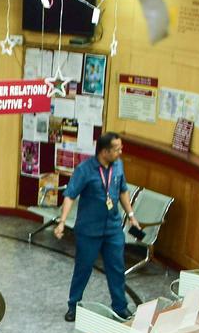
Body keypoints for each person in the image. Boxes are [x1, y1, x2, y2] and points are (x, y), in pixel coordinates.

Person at [56, 132, 141, 322]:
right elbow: (70, 195)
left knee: (116, 268)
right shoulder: (84, 170)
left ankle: (120, 307)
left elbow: (123, 191)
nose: (120, 152)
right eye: (117, 149)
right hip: (89, 230)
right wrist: (62, 221)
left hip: (113, 229)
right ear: (104, 151)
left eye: (120, 148)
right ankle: (74, 305)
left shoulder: (118, 166)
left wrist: (131, 215)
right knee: (83, 268)